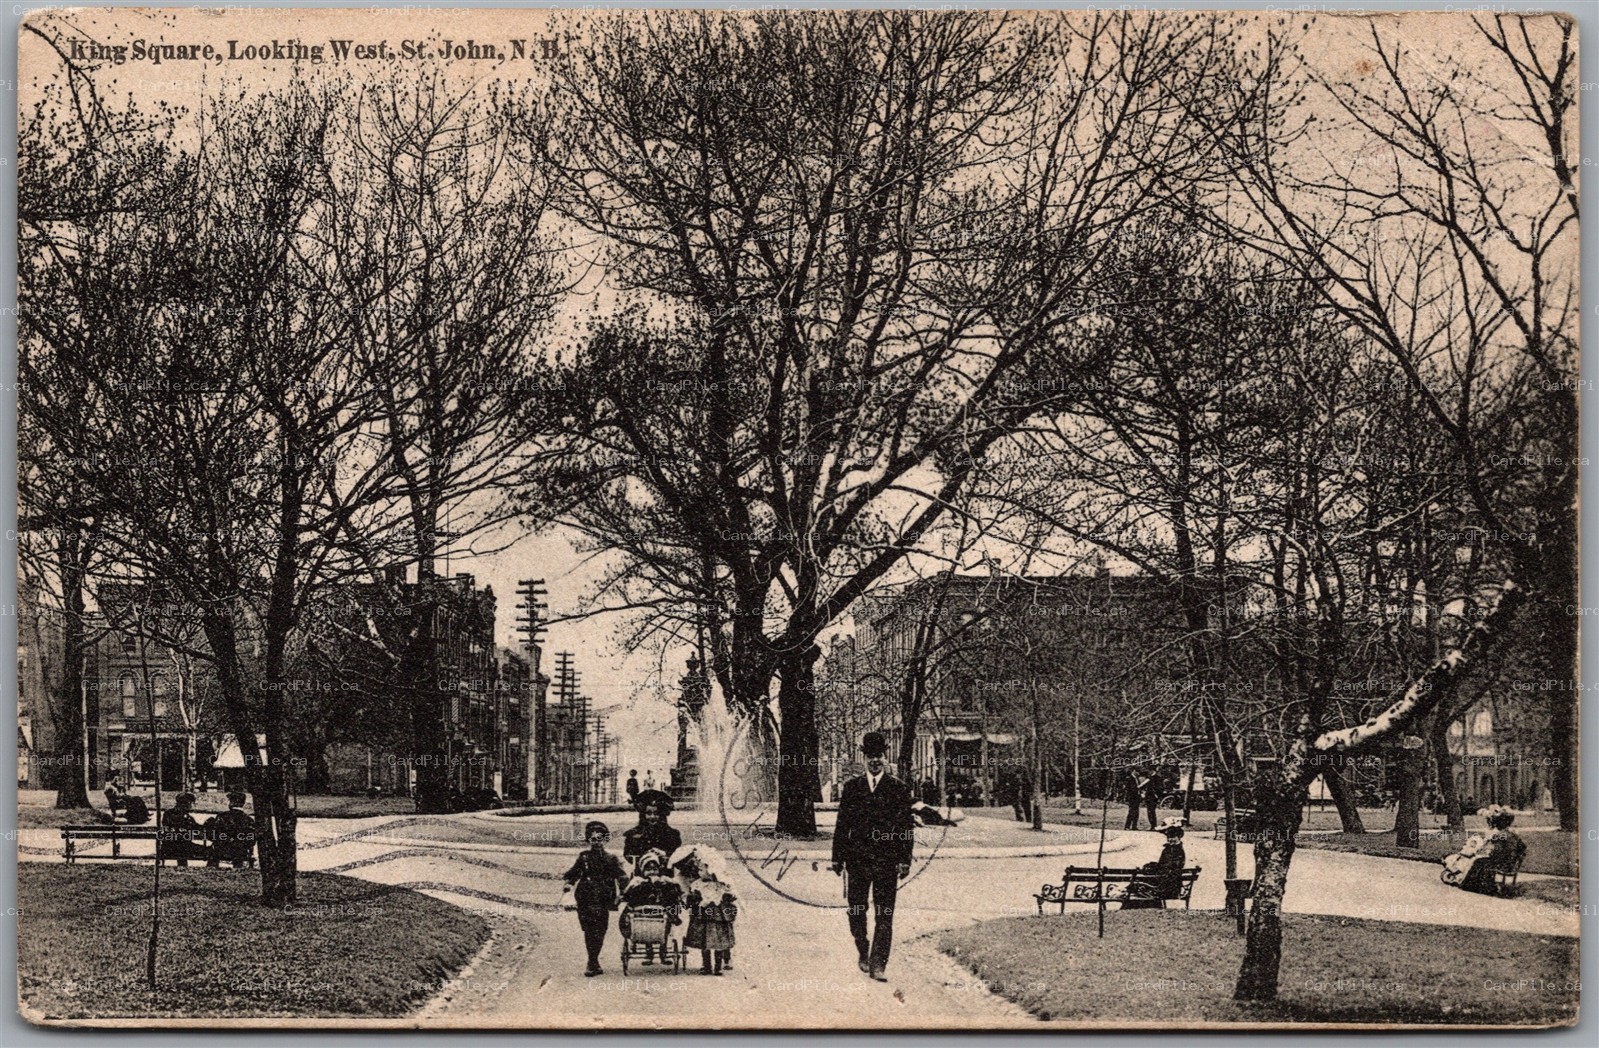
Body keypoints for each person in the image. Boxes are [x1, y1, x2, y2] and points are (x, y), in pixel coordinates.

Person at [831, 731, 914, 983]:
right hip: (857, 861)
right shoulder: (852, 788)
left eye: (878, 756)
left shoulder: (898, 788)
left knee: (885, 913)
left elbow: (905, 827)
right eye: (870, 757)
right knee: (856, 910)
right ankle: (863, 950)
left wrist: (904, 859)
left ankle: (879, 964)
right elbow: (842, 823)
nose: (874, 761)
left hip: (887, 861)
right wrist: (837, 857)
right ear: (864, 758)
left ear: (884, 757)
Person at [563, 821, 627, 977]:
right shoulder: (583, 857)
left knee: (599, 929)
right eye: (593, 839)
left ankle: (593, 961)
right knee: (588, 929)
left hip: (603, 897)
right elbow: (574, 873)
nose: (597, 842)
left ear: (605, 839)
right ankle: (592, 960)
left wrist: (623, 892)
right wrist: (569, 884)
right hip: (585, 895)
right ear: (588, 840)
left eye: (600, 839)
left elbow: (621, 876)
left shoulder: (611, 858)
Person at [676, 850, 737, 976]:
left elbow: (730, 897)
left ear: (711, 870)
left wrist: (726, 898)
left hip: (718, 917)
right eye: (698, 870)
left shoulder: (721, 885)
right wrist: (695, 900)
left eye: (702, 870)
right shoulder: (697, 885)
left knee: (719, 942)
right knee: (704, 941)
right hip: (702, 916)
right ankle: (706, 965)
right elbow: (691, 897)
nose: (699, 873)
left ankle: (718, 966)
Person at [1446, 805, 1528, 896]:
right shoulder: (1512, 833)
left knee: (1478, 861)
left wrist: (1491, 853)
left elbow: (1497, 851)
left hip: (1502, 863)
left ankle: (1471, 886)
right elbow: (1522, 847)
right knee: (1481, 861)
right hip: (1510, 863)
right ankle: (1481, 885)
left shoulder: (1500, 835)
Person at [1123, 817, 1186, 909]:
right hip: (1169, 885)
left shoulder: (1174, 851)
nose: (1170, 839)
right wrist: (1151, 865)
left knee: (1137, 885)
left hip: (1167, 887)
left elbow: (1168, 868)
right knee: (1138, 885)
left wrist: (1153, 867)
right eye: (1169, 837)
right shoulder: (1172, 849)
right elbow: (1164, 866)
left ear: (1179, 837)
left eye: (1173, 837)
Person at [158, 792, 208, 867]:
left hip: (167, 848)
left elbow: (196, 827)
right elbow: (196, 828)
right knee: (210, 851)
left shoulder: (168, 813)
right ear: (186, 804)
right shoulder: (187, 818)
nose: (192, 806)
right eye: (191, 803)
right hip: (182, 848)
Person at [207, 792, 256, 868]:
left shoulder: (222, 816)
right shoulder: (248, 819)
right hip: (241, 852)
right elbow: (251, 840)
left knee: (213, 854)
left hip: (222, 850)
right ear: (243, 803)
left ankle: (211, 870)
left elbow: (212, 835)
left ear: (232, 802)